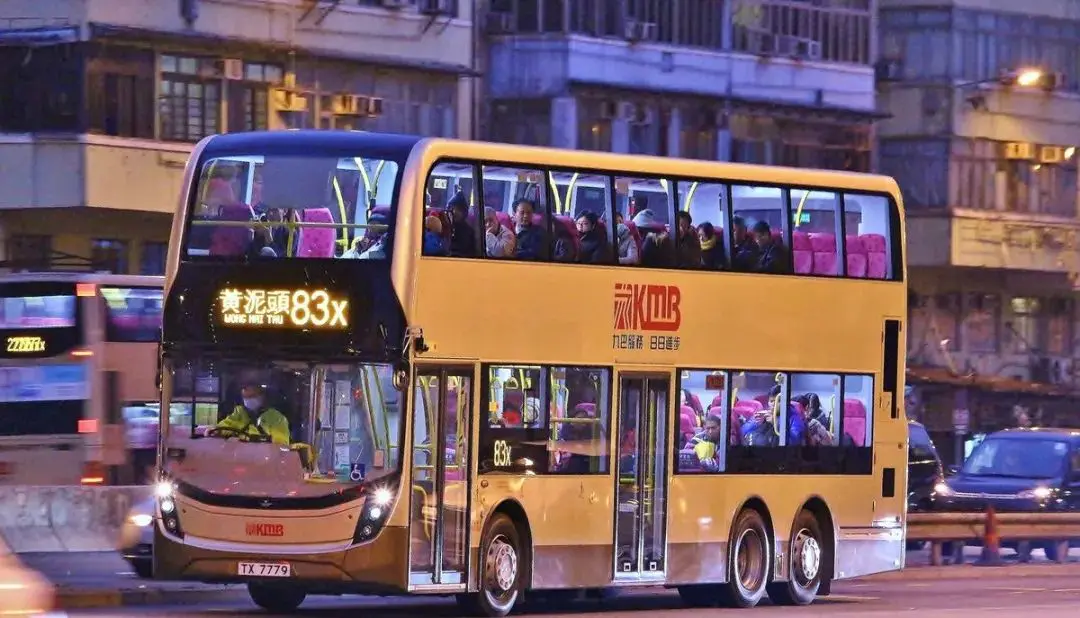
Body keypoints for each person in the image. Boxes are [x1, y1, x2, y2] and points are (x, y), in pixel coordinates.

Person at [215, 383, 291, 446]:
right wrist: (214, 430)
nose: (248, 400)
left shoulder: (277, 417)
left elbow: (281, 443)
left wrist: (252, 437)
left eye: (252, 396)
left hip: (264, 457)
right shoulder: (239, 411)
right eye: (245, 397)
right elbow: (223, 427)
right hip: (239, 455)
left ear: (262, 397)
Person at [447, 193, 478, 257]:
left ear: (464, 212)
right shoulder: (443, 226)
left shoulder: (468, 231)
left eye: (458, 209)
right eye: (452, 208)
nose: (454, 212)